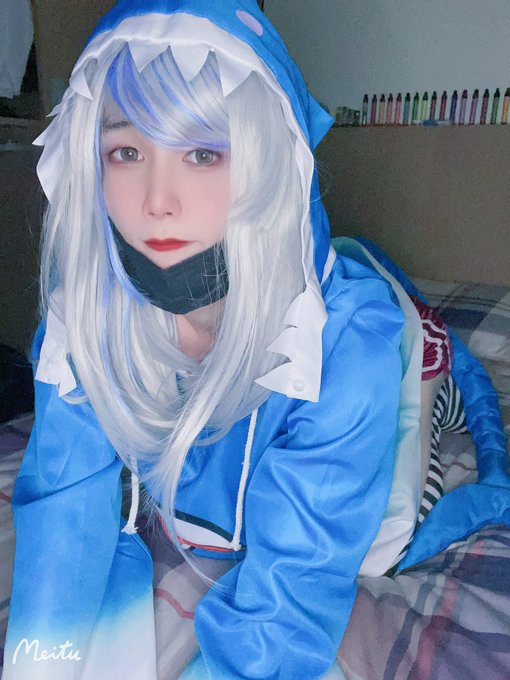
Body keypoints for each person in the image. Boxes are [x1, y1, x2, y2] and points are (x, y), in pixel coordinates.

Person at [3, 2, 509, 679]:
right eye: (126, 152)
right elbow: (62, 518)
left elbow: (290, 601)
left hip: (389, 371)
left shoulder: (343, 348)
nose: (157, 200)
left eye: (203, 153)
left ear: (267, 159)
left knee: (383, 535)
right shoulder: (84, 319)